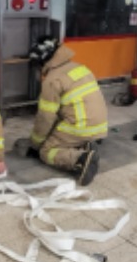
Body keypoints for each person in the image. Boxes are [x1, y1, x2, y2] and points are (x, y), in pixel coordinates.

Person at [26, 37, 106, 186]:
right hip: (100, 124)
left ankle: (80, 159)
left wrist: (35, 144)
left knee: (47, 151)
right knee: (58, 129)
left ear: (43, 61)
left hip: (80, 126)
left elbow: (45, 118)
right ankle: (83, 144)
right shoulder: (79, 67)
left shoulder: (52, 80)